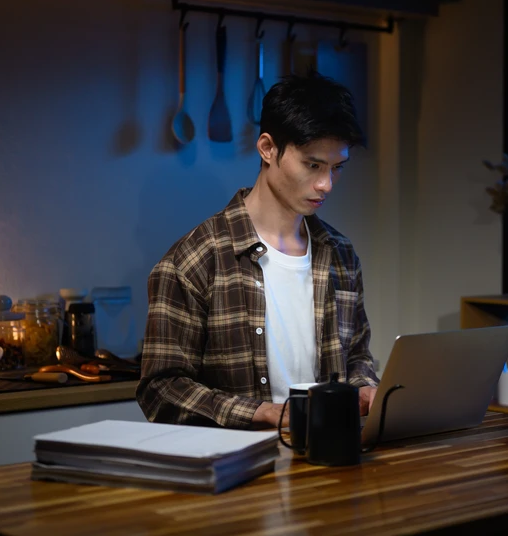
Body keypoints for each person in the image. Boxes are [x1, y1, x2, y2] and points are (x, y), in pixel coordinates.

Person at [137, 71, 379, 430]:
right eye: (313, 165)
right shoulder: (194, 260)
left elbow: (357, 355)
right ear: (267, 149)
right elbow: (161, 389)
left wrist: (365, 388)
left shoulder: (340, 254)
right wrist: (262, 412)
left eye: (337, 168)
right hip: (238, 467)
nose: (326, 184)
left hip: (330, 455)